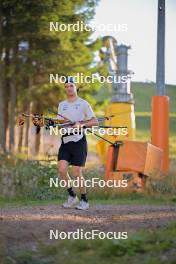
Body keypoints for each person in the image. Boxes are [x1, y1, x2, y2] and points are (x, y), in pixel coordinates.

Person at [58, 76, 98, 210]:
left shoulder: (83, 104)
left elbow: (94, 122)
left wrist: (80, 124)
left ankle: (85, 200)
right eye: (66, 86)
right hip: (65, 141)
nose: (69, 88)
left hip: (79, 141)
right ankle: (72, 197)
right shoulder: (61, 105)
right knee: (62, 169)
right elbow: (59, 124)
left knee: (76, 173)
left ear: (76, 87)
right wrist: (58, 125)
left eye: (71, 85)